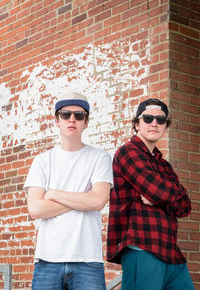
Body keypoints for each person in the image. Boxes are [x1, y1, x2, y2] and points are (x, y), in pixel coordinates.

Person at [24, 92, 113, 290]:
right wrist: (82, 199)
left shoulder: (100, 158)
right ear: (57, 121)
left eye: (79, 115)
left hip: (88, 261)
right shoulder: (42, 161)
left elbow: (98, 201)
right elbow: (36, 209)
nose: (72, 119)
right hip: (47, 260)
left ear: (86, 123)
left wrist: (54, 194)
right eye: (65, 114)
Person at [107, 98, 195, 290]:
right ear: (137, 124)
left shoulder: (164, 165)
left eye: (160, 120)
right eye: (147, 118)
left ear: (165, 126)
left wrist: (162, 197)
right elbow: (157, 190)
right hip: (142, 248)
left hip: (171, 252)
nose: (154, 123)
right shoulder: (127, 153)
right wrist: (169, 193)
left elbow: (185, 206)